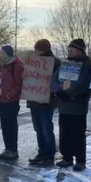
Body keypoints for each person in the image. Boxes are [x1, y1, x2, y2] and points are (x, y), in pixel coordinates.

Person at [52, 39, 91, 171]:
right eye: (69, 48)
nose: (69, 50)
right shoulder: (66, 63)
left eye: (72, 48)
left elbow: (83, 83)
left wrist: (68, 93)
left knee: (78, 134)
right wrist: (58, 90)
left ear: (80, 50)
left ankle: (80, 160)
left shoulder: (87, 64)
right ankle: (67, 157)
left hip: (78, 105)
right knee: (65, 133)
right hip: (64, 105)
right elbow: (54, 78)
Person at [28, 39, 61, 167]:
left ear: (44, 50)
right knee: (38, 129)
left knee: (46, 128)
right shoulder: (33, 62)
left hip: (47, 101)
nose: (35, 51)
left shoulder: (55, 62)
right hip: (33, 100)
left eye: (37, 49)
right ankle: (42, 152)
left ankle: (50, 154)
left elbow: (59, 83)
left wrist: (54, 92)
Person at [0, 45, 24, 160]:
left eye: (1, 52)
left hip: (11, 101)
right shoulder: (3, 65)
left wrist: (9, 95)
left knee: (11, 125)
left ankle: (13, 150)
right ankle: (7, 148)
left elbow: (19, 84)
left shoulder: (16, 65)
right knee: (5, 125)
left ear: (7, 53)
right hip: (1, 99)